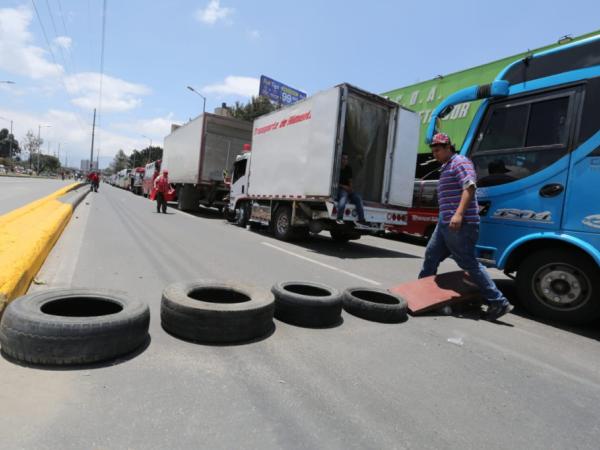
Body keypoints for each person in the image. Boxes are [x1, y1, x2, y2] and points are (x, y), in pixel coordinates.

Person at [419, 133, 513, 321]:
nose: (435, 154)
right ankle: (422, 294)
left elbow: (469, 186)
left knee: (468, 262)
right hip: (445, 223)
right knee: (431, 256)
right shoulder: (446, 166)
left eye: (438, 150)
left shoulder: (460, 162)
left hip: (460, 224)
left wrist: (459, 214)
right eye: (433, 151)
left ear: (448, 147)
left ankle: (498, 302)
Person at [336, 153, 366, 225]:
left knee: (358, 198)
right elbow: (334, 182)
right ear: (340, 159)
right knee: (344, 197)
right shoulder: (336, 168)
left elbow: (350, 180)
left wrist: (351, 188)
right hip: (339, 188)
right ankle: (339, 218)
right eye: (343, 158)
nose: (345, 160)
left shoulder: (348, 168)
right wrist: (344, 187)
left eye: (346, 159)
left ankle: (361, 219)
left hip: (347, 189)